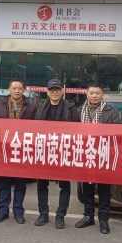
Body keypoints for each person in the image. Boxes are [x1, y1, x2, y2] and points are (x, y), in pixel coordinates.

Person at [75, 81, 121, 234]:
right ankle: (88, 216)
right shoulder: (78, 111)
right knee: (87, 188)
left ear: (102, 94)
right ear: (86, 93)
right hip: (85, 154)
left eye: (97, 93)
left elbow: (117, 134)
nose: (94, 96)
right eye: (91, 93)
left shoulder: (112, 112)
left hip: (104, 155)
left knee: (104, 189)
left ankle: (103, 219)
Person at [34, 78, 80, 229]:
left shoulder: (70, 108)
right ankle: (43, 214)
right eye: (52, 90)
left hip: (63, 151)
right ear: (47, 92)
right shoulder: (40, 107)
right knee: (41, 184)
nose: (54, 92)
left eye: (57, 90)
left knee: (64, 186)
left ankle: (60, 216)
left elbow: (76, 130)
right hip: (44, 151)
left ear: (62, 91)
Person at [0, 78, 37, 224]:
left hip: (22, 150)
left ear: (23, 90)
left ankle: (18, 212)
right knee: (4, 183)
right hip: (4, 150)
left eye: (20, 88)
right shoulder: (0, 105)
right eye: (14, 88)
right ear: (9, 89)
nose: (17, 91)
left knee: (20, 184)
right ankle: (2, 211)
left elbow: (36, 128)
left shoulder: (31, 106)